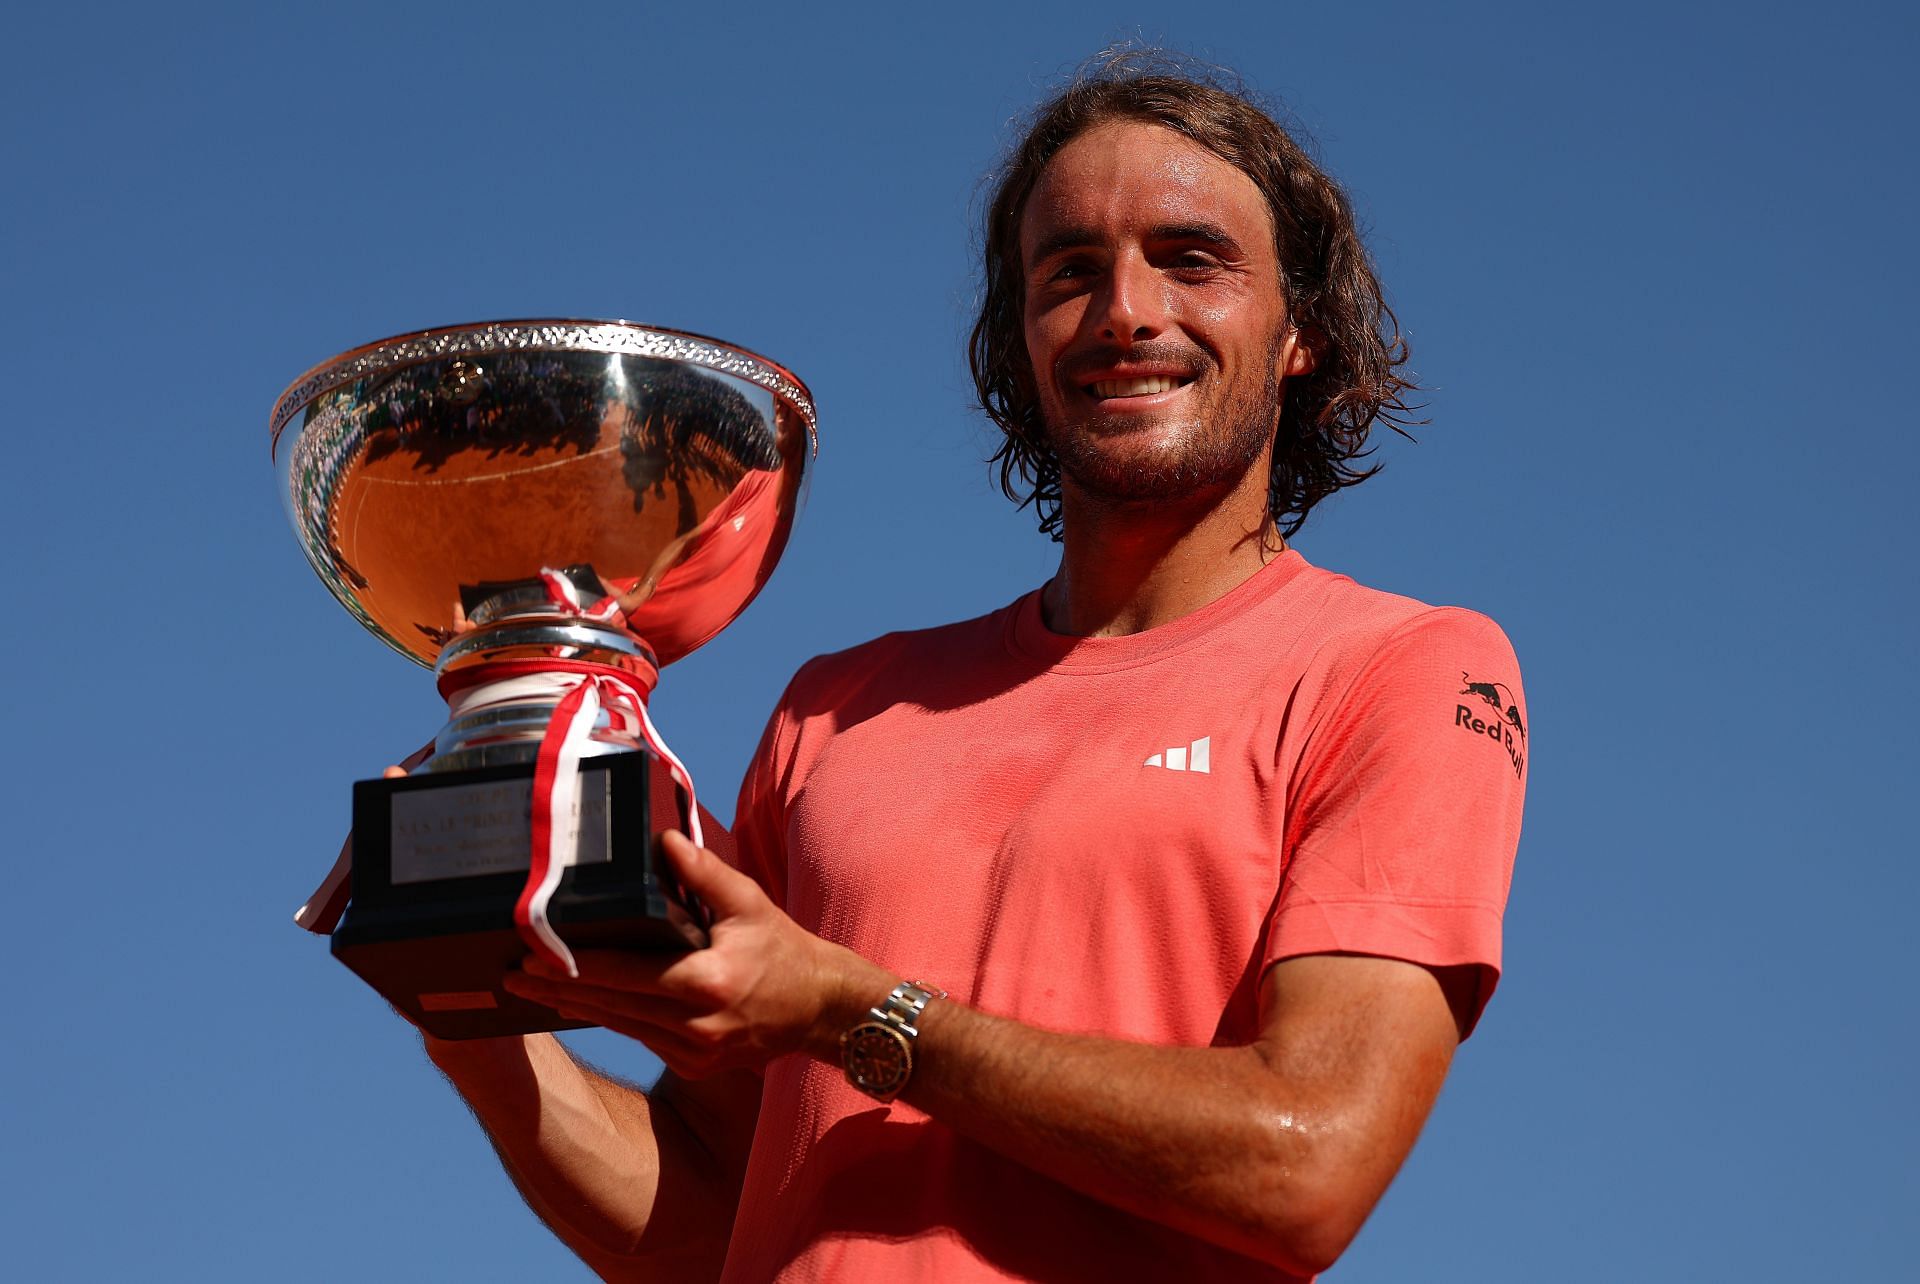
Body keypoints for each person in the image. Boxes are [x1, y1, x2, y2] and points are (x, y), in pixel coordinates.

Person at [426, 57, 1528, 1284]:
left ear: (1300, 336)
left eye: (1190, 259)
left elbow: (1309, 1161)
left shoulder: (1403, 668)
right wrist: (469, 1015)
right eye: (1069, 273)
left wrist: (856, 1013)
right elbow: (708, 1225)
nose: (1125, 310)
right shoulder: (834, 711)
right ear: (1020, 340)